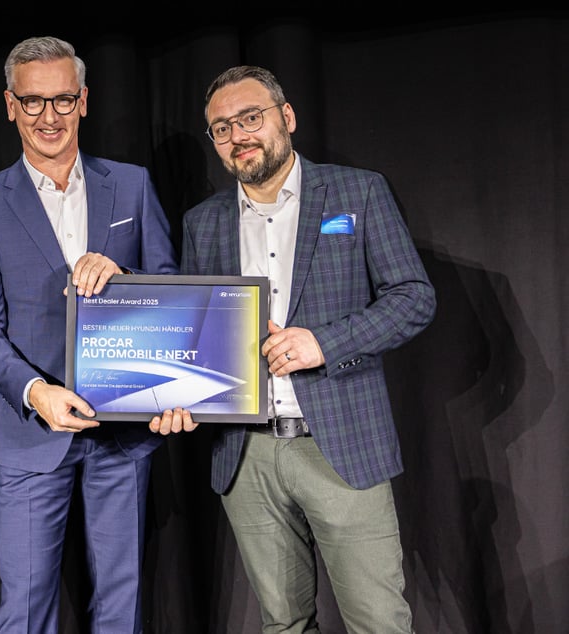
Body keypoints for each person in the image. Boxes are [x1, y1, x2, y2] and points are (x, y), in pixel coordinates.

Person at [177, 65, 436, 632]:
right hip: (246, 457)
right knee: (283, 624)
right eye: (222, 128)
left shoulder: (358, 192)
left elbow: (414, 298)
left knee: (379, 621)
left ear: (286, 117)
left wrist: (326, 342)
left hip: (341, 445)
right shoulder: (203, 224)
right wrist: (178, 398)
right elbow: (195, 339)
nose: (238, 134)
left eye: (251, 117)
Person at [0, 36, 184, 633]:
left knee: (121, 604)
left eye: (62, 100)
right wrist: (37, 392)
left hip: (124, 430)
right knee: (26, 610)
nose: (48, 117)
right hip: (33, 434)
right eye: (33, 103)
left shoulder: (131, 185)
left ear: (83, 102)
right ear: (10, 106)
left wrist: (125, 276)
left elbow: (170, 289)